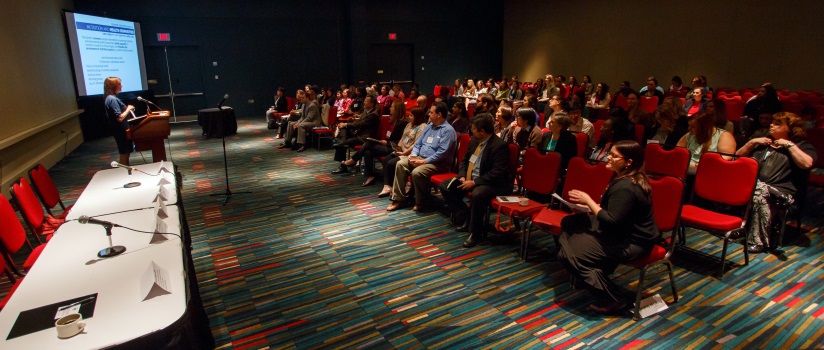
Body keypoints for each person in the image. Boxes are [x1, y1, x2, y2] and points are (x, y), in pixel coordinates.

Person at [558, 140, 659, 314]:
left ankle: (614, 299)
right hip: (619, 231)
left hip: (633, 240)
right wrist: (590, 207)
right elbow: (617, 211)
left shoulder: (626, 186)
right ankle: (592, 270)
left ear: (628, 162)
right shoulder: (626, 177)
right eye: (609, 154)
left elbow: (612, 220)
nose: (608, 158)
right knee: (570, 223)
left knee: (569, 254)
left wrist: (588, 202)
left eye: (613, 156)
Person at [735, 112, 816, 253]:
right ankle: (752, 234)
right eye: (772, 122)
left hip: (785, 192)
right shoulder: (762, 143)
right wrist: (751, 143)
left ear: (790, 128)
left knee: (758, 192)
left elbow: (807, 163)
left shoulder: (801, 146)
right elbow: (736, 159)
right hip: (757, 188)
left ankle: (755, 238)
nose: (771, 125)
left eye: (778, 123)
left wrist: (789, 145)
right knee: (758, 190)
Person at [439, 114, 512, 248]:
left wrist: (474, 182)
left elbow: (497, 173)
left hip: (492, 183)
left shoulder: (499, 146)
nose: (471, 131)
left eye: (473, 129)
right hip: (469, 178)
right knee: (445, 186)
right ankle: (466, 216)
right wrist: (462, 175)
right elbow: (465, 161)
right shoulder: (474, 141)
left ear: (482, 131)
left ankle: (475, 233)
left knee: (478, 194)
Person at [387, 102, 457, 212]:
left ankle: (421, 202)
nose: (428, 114)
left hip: (438, 164)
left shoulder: (448, 130)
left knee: (417, 172)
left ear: (439, 114)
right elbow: (418, 144)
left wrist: (424, 161)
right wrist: (414, 155)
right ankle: (399, 199)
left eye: (431, 112)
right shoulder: (429, 127)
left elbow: (442, 153)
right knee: (400, 164)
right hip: (420, 158)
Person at [340, 99, 407, 185]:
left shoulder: (403, 123)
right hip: (386, 144)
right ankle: (370, 176)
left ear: (398, 109)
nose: (390, 108)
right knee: (368, 152)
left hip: (394, 148)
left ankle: (353, 160)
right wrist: (383, 141)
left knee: (368, 144)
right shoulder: (392, 121)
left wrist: (387, 142)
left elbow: (401, 141)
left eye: (392, 107)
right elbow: (388, 136)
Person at [378, 107, 427, 198]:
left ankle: (394, 186)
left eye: (411, 115)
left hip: (411, 153)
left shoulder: (422, 127)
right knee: (386, 160)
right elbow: (403, 138)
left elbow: (416, 144)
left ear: (418, 117)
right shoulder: (409, 124)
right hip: (402, 150)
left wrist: (404, 153)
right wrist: (398, 148)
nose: (409, 117)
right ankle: (387, 186)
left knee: (391, 163)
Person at [331, 95, 380, 170]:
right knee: (343, 129)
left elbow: (361, 123)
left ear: (371, 104)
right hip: (359, 133)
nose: (364, 102)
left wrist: (346, 124)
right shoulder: (366, 111)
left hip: (365, 137)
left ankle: (342, 165)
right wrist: (353, 120)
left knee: (345, 131)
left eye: (366, 101)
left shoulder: (373, 115)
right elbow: (360, 121)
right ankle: (342, 142)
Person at [103, 77, 135, 166]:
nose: (121, 86)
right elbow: (119, 118)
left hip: (121, 130)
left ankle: (126, 174)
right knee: (124, 153)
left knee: (126, 152)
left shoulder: (110, 98)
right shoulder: (112, 99)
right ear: (113, 86)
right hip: (120, 131)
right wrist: (128, 108)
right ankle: (124, 174)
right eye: (119, 84)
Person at [280, 86, 321, 152]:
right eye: (301, 98)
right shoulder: (304, 105)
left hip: (315, 122)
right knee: (291, 123)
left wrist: (299, 124)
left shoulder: (312, 105)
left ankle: (302, 144)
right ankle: (287, 141)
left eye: (303, 98)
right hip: (307, 121)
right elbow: (302, 117)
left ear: (307, 98)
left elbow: (309, 118)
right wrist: (297, 123)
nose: (301, 99)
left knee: (301, 125)